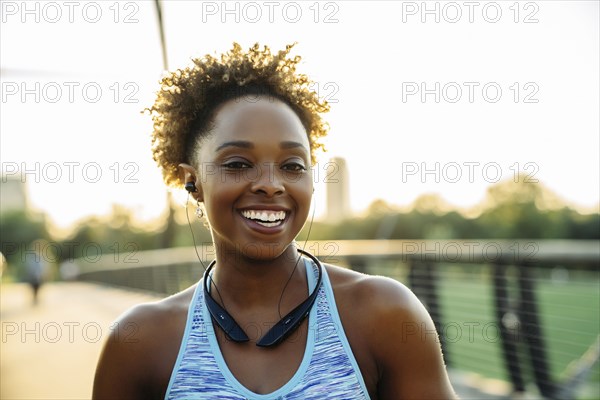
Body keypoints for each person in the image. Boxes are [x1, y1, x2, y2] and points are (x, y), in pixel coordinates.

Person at [93, 43, 457, 399]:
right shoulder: (139, 340)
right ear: (193, 181)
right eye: (238, 164)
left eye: (292, 166)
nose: (270, 184)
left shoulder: (385, 313)